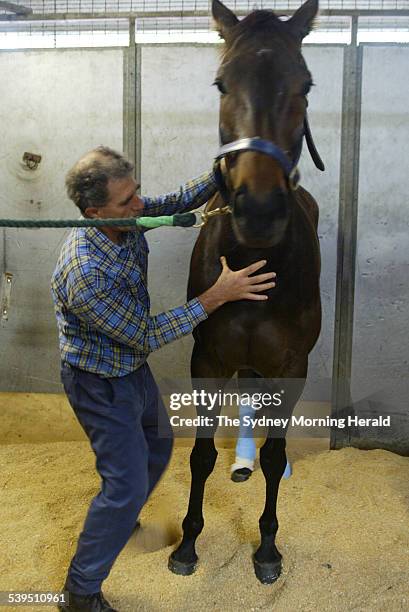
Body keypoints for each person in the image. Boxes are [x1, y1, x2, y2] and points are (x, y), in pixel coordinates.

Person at [51, 145, 277, 612]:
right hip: (99, 383)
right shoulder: (86, 272)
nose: (140, 205)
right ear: (95, 212)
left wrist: (221, 168)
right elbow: (142, 335)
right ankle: (80, 590)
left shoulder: (124, 216)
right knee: (126, 484)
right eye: (128, 201)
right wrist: (218, 295)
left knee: (156, 448)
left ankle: (119, 518)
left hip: (129, 374)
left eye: (136, 194)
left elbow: (176, 201)